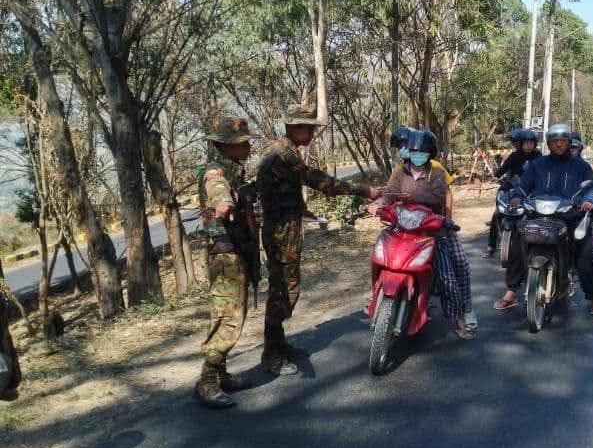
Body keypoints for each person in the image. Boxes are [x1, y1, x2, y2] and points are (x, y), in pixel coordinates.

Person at [256, 91, 381, 376]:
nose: (313, 134)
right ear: (295, 127)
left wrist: (302, 209)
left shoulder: (285, 151)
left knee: (284, 287)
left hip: (286, 226)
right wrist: (364, 191)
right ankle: (271, 354)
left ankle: (278, 344)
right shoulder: (283, 153)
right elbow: (319, 181)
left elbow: (283, 188)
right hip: (280, 232)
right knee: (283, 290)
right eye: (309, 128)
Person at [495, 124, 593, 321]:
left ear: (568, 143)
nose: (559, 144)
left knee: (586, 251)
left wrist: (589, 200)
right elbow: (524, 185)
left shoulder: (581, 166)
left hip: (569, 215)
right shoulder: (538, 164)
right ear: (549, 144)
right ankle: (511, 292)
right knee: (518, 240)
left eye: (562, 141)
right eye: (554, 141)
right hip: (539, 214)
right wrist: (516, 196)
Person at [378, 130, 476, 339]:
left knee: (449, 275)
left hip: (432, 230)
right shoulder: (400, 172)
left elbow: (438, 195)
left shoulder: (437, 172)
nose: (417, 155)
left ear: (430, 153)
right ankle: (379, 295)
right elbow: (389, 194)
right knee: (383, 253)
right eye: (414, 151)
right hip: (404, 227)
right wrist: (380, 205)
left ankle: (460, 316)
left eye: (422, 152)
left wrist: (446, 218)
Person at [196, 117, 257, 408]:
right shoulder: (216, 170)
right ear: (225, 146)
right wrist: (224, 202)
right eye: (242, 143)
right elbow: (217, 187)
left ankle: (220, 374)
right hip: (224, 254)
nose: (248, 147)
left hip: (235, 250)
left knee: (232, 314)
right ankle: (207, 381)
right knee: (228, 317)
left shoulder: (235, 170)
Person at [483, 128, 541, 257]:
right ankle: (491, 246)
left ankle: (538, 244)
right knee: (497, 213)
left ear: (535, 144)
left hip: (532, 191)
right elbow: (502, 170)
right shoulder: (514, 156)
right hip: (513, 188)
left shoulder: (539, 157)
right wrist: (496, 175)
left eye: (531, 143)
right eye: (525, 143)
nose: (528, 145)